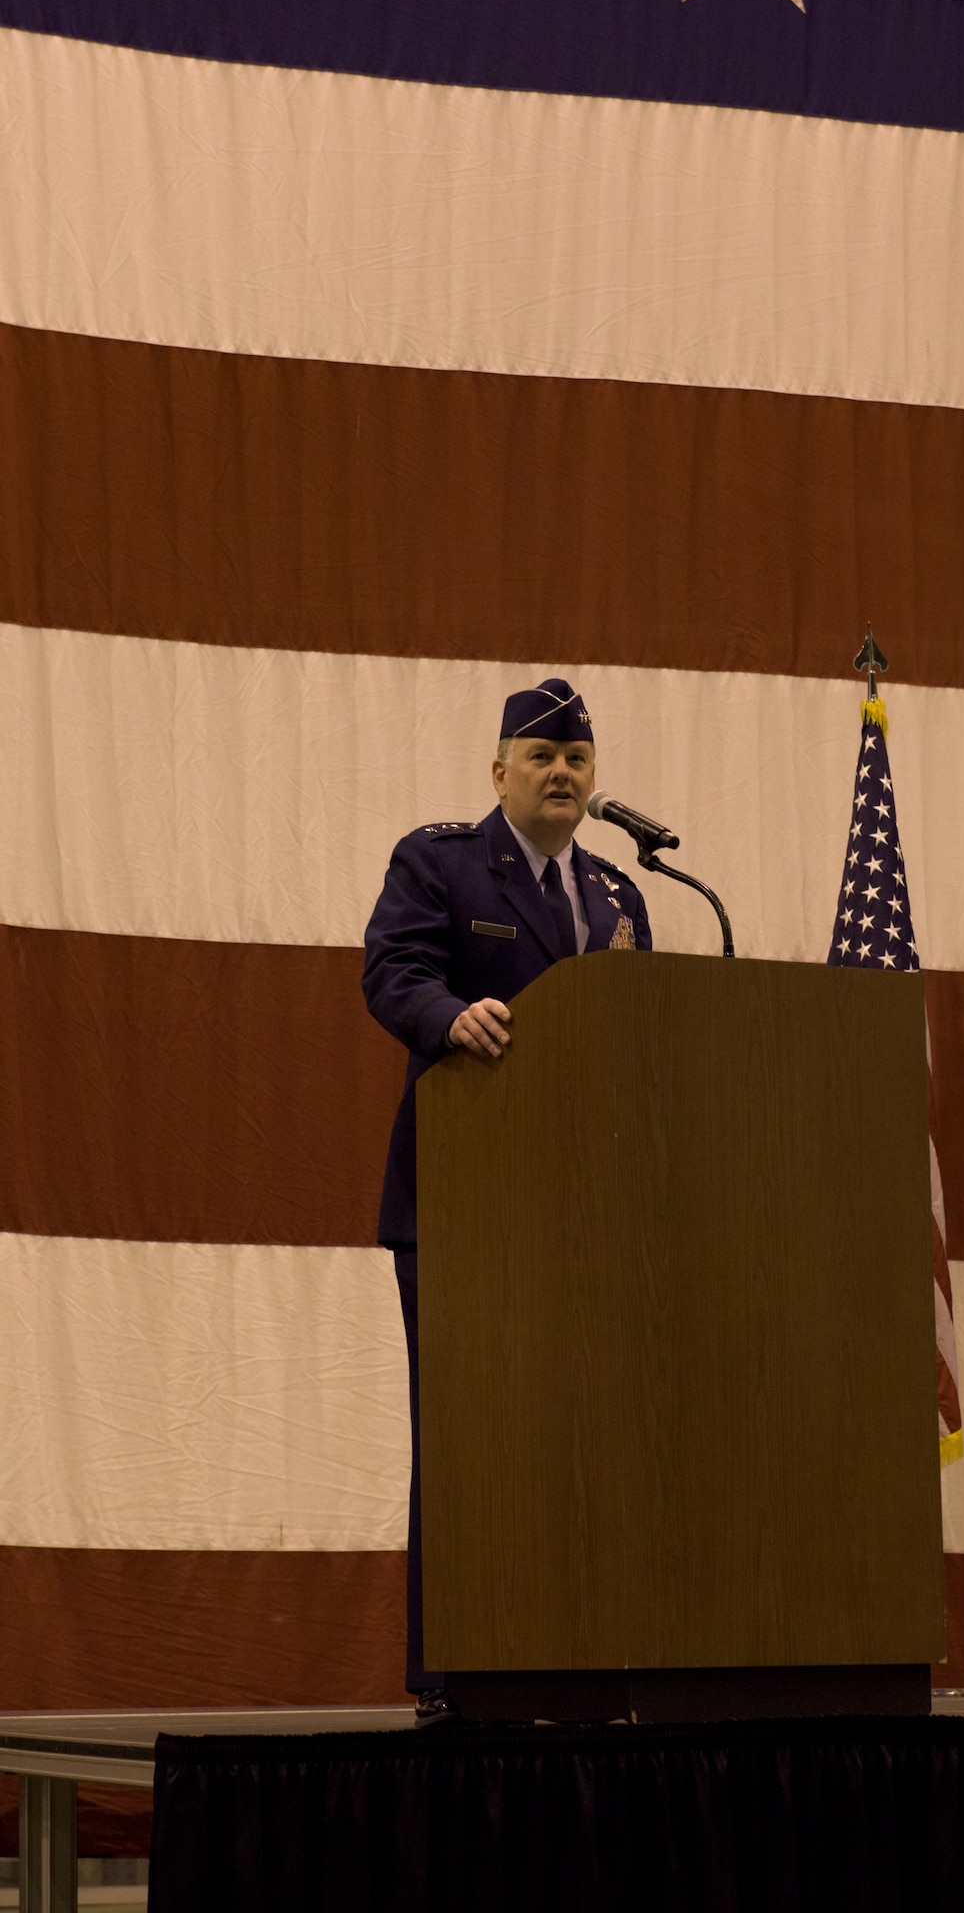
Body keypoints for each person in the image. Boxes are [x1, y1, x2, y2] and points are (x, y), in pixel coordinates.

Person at [362, 677, 652, 1718]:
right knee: (468, 1431)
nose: (563, 771)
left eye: (577, 756)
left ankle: (576, 1654)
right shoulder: (438, 861)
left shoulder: (620, 894)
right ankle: (452, 1671)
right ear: (499, 773)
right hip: (462, 1202)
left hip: (586, 1219)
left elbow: (638, 1032)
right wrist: (449, 1016)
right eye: (541, 756)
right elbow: (390, 971)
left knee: (577, 1432)